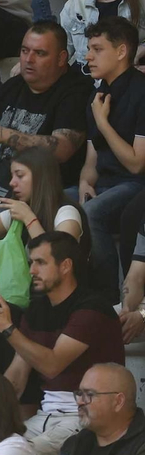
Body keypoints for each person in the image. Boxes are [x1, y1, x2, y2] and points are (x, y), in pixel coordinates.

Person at [0, 232, 125, 455]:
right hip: (45, 414)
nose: (32, 270)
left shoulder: (92, 307)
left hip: (86, 416)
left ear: (65, 266)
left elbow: (53, 365)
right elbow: (17, 376)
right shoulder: (37, 308)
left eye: (41, 262)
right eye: (31, 262)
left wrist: (7, 328)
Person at [0, 21, 88, 198]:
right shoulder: (10, 88)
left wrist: (4, 135)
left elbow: (62, 149)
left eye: (40, 53)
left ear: (61, 58)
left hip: (43, 195)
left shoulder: (76, 91)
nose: (29, 59)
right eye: (24, 51)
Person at [80, 19, 145, 296]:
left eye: (97, 49)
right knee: (54, 199)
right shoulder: (97, 95)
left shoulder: (142, 91)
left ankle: (108, 299)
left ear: (121, 52)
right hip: (104, 183)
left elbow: (135, 163)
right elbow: (91, 160)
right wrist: (84, 183)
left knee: (92, 213)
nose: (87, 56)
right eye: (88, 48)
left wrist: (103, 122)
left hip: (135, 185)